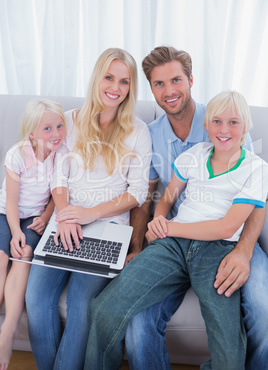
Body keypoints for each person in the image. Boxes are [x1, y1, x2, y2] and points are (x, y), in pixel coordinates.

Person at [84, 90, 268, 370]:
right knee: (104, 308)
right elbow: (166, 197)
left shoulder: (256, 169)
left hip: (218, 251)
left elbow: (227, 226)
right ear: (206, 125)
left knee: (228, 350)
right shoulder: (195, 155)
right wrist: (158, 219)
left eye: (233, 122)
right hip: (172, 246)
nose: (224, 129)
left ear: (246, 126)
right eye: (217, 121)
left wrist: (170, 227)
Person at [124, 46, 268, 370]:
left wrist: (244, 250)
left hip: (231, 236)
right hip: (177, 236)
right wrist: (142, 242)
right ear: (151, 89)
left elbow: (256, 196)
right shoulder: (151, 135)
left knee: (264, 307)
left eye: (176, 80)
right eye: (159, 84)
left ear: (190, 80)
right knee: (138, 322)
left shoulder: (222, 118)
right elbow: (150, 197)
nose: (169, 91)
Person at [25, 48, 152, 370]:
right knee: (36, 300)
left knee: (82, 305)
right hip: (65, 220)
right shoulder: (67, 120)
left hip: (108, 228)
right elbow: (59, 174)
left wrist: (90, 214)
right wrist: (66, 213)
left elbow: (137, 192)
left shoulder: (138, 130)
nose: (115, 87)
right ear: (97, 78)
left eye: (124, 81)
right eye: (109, 77)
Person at [0, 99, 66, 370]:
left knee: (25, 253)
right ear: (32, 134)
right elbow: (12, 202)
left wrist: (47, 216)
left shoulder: (60, 155)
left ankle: (8, 331)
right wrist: (15, 232)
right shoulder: (17, 154)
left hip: (35, 219)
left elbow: (57, 192)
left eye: (59, 126)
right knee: (3, 256)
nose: (56, 134)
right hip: (8, 214)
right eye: (47, 129)